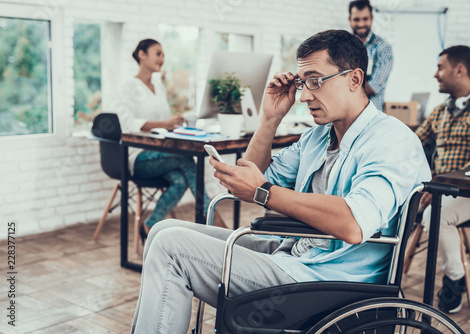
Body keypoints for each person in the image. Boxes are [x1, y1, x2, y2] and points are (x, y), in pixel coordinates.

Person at [130, 30, 430, 333]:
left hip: (329, 280)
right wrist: (269, 119)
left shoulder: (392, 142)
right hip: (297, 252)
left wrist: (263, 192)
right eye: (302, 83)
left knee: (172, 248)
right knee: (163, 229)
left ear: (354, 79)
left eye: (315, 81)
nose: (304, 96)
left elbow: (353, 223)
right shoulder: (317, 137)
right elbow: (261, 177)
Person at [416, 45, 470, 314]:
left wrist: (441, 182)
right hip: (438, 189)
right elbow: (416, 140)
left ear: (459, 70)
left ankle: (455, 279)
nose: (435, 74)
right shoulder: (441, 111)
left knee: (435, 216)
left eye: (440, 67)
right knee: (396, 203)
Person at [115, 39, 225, 235]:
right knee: (185, 159)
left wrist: (172, 123)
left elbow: (162, 122)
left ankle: (150, 224)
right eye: (158, 53)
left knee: (181, 181)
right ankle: (212, 216)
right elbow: (127, 123)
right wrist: (163, 124)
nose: (162, 59)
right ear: (142, 54)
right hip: (138, 158)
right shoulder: (129, 86)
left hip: (161, 154)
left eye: (163, 55)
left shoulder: (159, 87)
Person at [348, 0, 393, 112]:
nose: (361, 24)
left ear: (371, 18)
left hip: (371, 115)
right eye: (356, 19)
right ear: (350, 20)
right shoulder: (343, 46)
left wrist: (341, 88)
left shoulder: (383, 48)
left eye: (365, 19)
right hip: (346, 114)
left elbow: (374, 87)